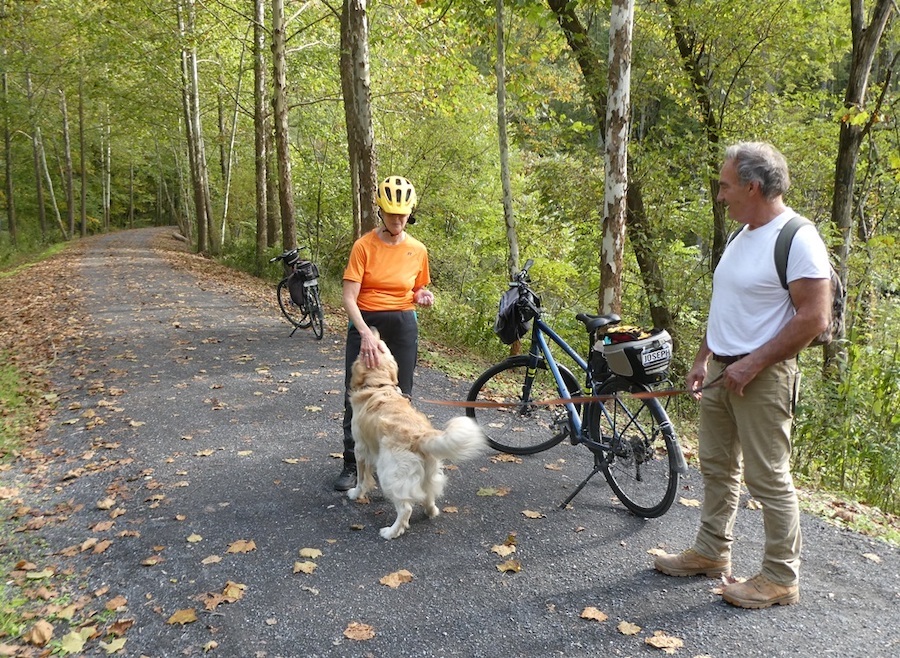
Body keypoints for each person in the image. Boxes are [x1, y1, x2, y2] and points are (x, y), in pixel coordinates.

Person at [654, 142, 832, 609]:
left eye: (726, 185)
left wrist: (754, 362)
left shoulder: (797, 237)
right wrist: (702, 358)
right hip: (720, 371)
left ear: (753, 186)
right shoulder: (741, 235)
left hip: (764, 376)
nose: (720, 195)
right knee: (716, 466)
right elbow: (726, 306)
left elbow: (815, 318)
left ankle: (779, 577)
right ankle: (712, 553)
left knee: (768, 477)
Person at [334, 175, 435, 491]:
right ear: (381, 212)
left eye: (404, 214)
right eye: (393, 214)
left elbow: (418, 286)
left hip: (403, 323)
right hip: (367, 324)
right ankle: (353, 465)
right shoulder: (364, 246)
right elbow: (349, 297)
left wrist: (422, 296)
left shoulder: (418, 250)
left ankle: (393, 460)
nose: (399, 220)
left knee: (401, 394)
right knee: (358, 396)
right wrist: (364, 332)